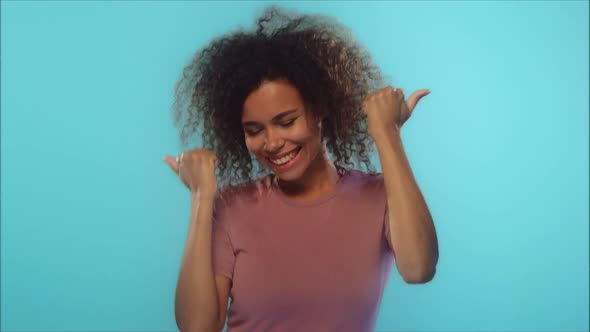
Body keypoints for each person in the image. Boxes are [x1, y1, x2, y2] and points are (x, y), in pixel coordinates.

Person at [163, 6, 439, 332]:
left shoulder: (380, 197)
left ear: (321, 107)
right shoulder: (230, 207)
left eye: (287, 121)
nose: (272, 142)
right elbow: (197, 327)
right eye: (254, 130)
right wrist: (201, 196)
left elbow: (419, 269)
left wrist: (387, 134)